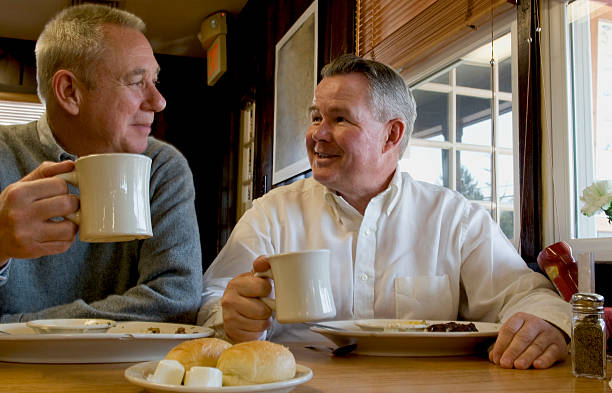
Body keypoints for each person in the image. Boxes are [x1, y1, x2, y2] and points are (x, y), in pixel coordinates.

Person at [198, 54, 570, 369]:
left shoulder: (454, 218)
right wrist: (230, 317)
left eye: (340, 119)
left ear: (392, 135)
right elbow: (212, 298)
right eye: (316, 117)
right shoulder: (271, 214)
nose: (318, 135)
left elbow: (526, 296)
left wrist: (545, 324)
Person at [0, 4, 202, 323]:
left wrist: (24, 329)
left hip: (133, 371)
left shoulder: (163, 167)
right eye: (137, 82)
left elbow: (176, 299)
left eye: (155, 81)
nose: (159, 101)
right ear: (70, 92)